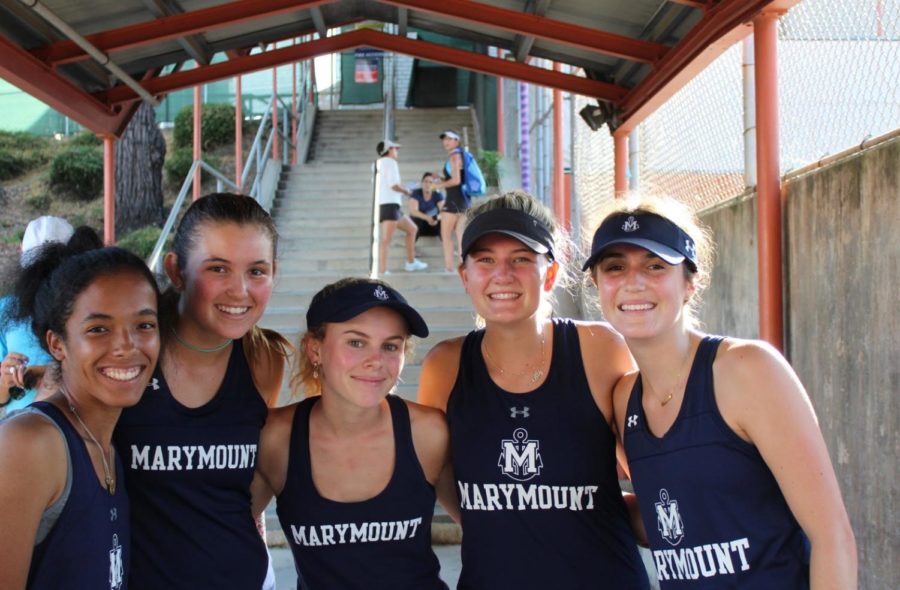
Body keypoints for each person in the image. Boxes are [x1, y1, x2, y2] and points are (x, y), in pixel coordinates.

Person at [584, 194, 857, 588]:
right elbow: (674, 515)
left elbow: (833, 538)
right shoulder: (625, 398)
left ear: (691, 282)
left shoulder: (746, 370)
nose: (634, 282)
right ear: (597, 284)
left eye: (656, 266)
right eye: (615, 267)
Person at [418, 191, 651, 589]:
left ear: (550, 274)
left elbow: (652, 472)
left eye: (521, 259)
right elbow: (441, 478)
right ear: (465, 276)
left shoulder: (600, 350)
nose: (502, 274)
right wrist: (511, 516)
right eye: (485, 259)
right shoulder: (445, 365)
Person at [114, 193, 291, 590]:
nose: (240, 290)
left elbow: (248, 487)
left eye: (257, 271)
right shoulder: (130, 352)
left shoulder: (265, 358)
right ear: (176, 270)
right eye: (218, 268)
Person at [252, 277, 450, 589]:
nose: (376, 361)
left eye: (390, 346)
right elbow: (221, 535)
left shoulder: (427, 432)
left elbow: (490, 529)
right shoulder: (277, 439)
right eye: (356, 342)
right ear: (314, 349)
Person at [0, 228, 161, 589]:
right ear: (57, 344)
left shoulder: (106, 444)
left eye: (144, 325)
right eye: (99, 328)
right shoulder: (30, 444)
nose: (126, 345)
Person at [1, 216, 74, 413]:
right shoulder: (6, 310)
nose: (42, 276)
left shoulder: (85, 306)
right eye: (36, 268)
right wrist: (5, 381)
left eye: (53, 268)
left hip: (76, 424)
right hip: (17, 429)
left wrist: (42, 373)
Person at [375, 140, 427, 274]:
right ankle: (382, 271)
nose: (397, 151)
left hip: (387, 205)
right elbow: (394, 185)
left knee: (412, 229)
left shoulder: (377, 164)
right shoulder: (390, 162)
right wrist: (407, 191)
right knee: (386, 240)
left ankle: (411, 262)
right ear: (389, 150)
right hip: (389, 205)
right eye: (395, 148)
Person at [431, 130, 468, 272]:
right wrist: (441, 177)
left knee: (446, 236)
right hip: (464, 201)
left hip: (453, 201)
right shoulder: (461, 155)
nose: (446, 141)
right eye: (444, 139)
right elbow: (457, 178)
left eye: (449, 139)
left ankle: (448, 268)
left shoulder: (454, 156)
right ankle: (463, 267)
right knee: (460, 236)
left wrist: (437, 186)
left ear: (457, 141)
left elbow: (456, 180)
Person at [408, 171, 444, 241]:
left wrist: (436, 218)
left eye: (430, 182)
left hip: (433, 225)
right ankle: (411, 250)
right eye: (425, 181)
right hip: (420, 226)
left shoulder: (437, 194)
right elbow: (413, 211)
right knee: (415, 220)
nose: (427, 184)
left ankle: (447, 250)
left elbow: (444, 212)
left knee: (444, 222)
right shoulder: (416, 193)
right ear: (422, 183)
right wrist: (427, 218)